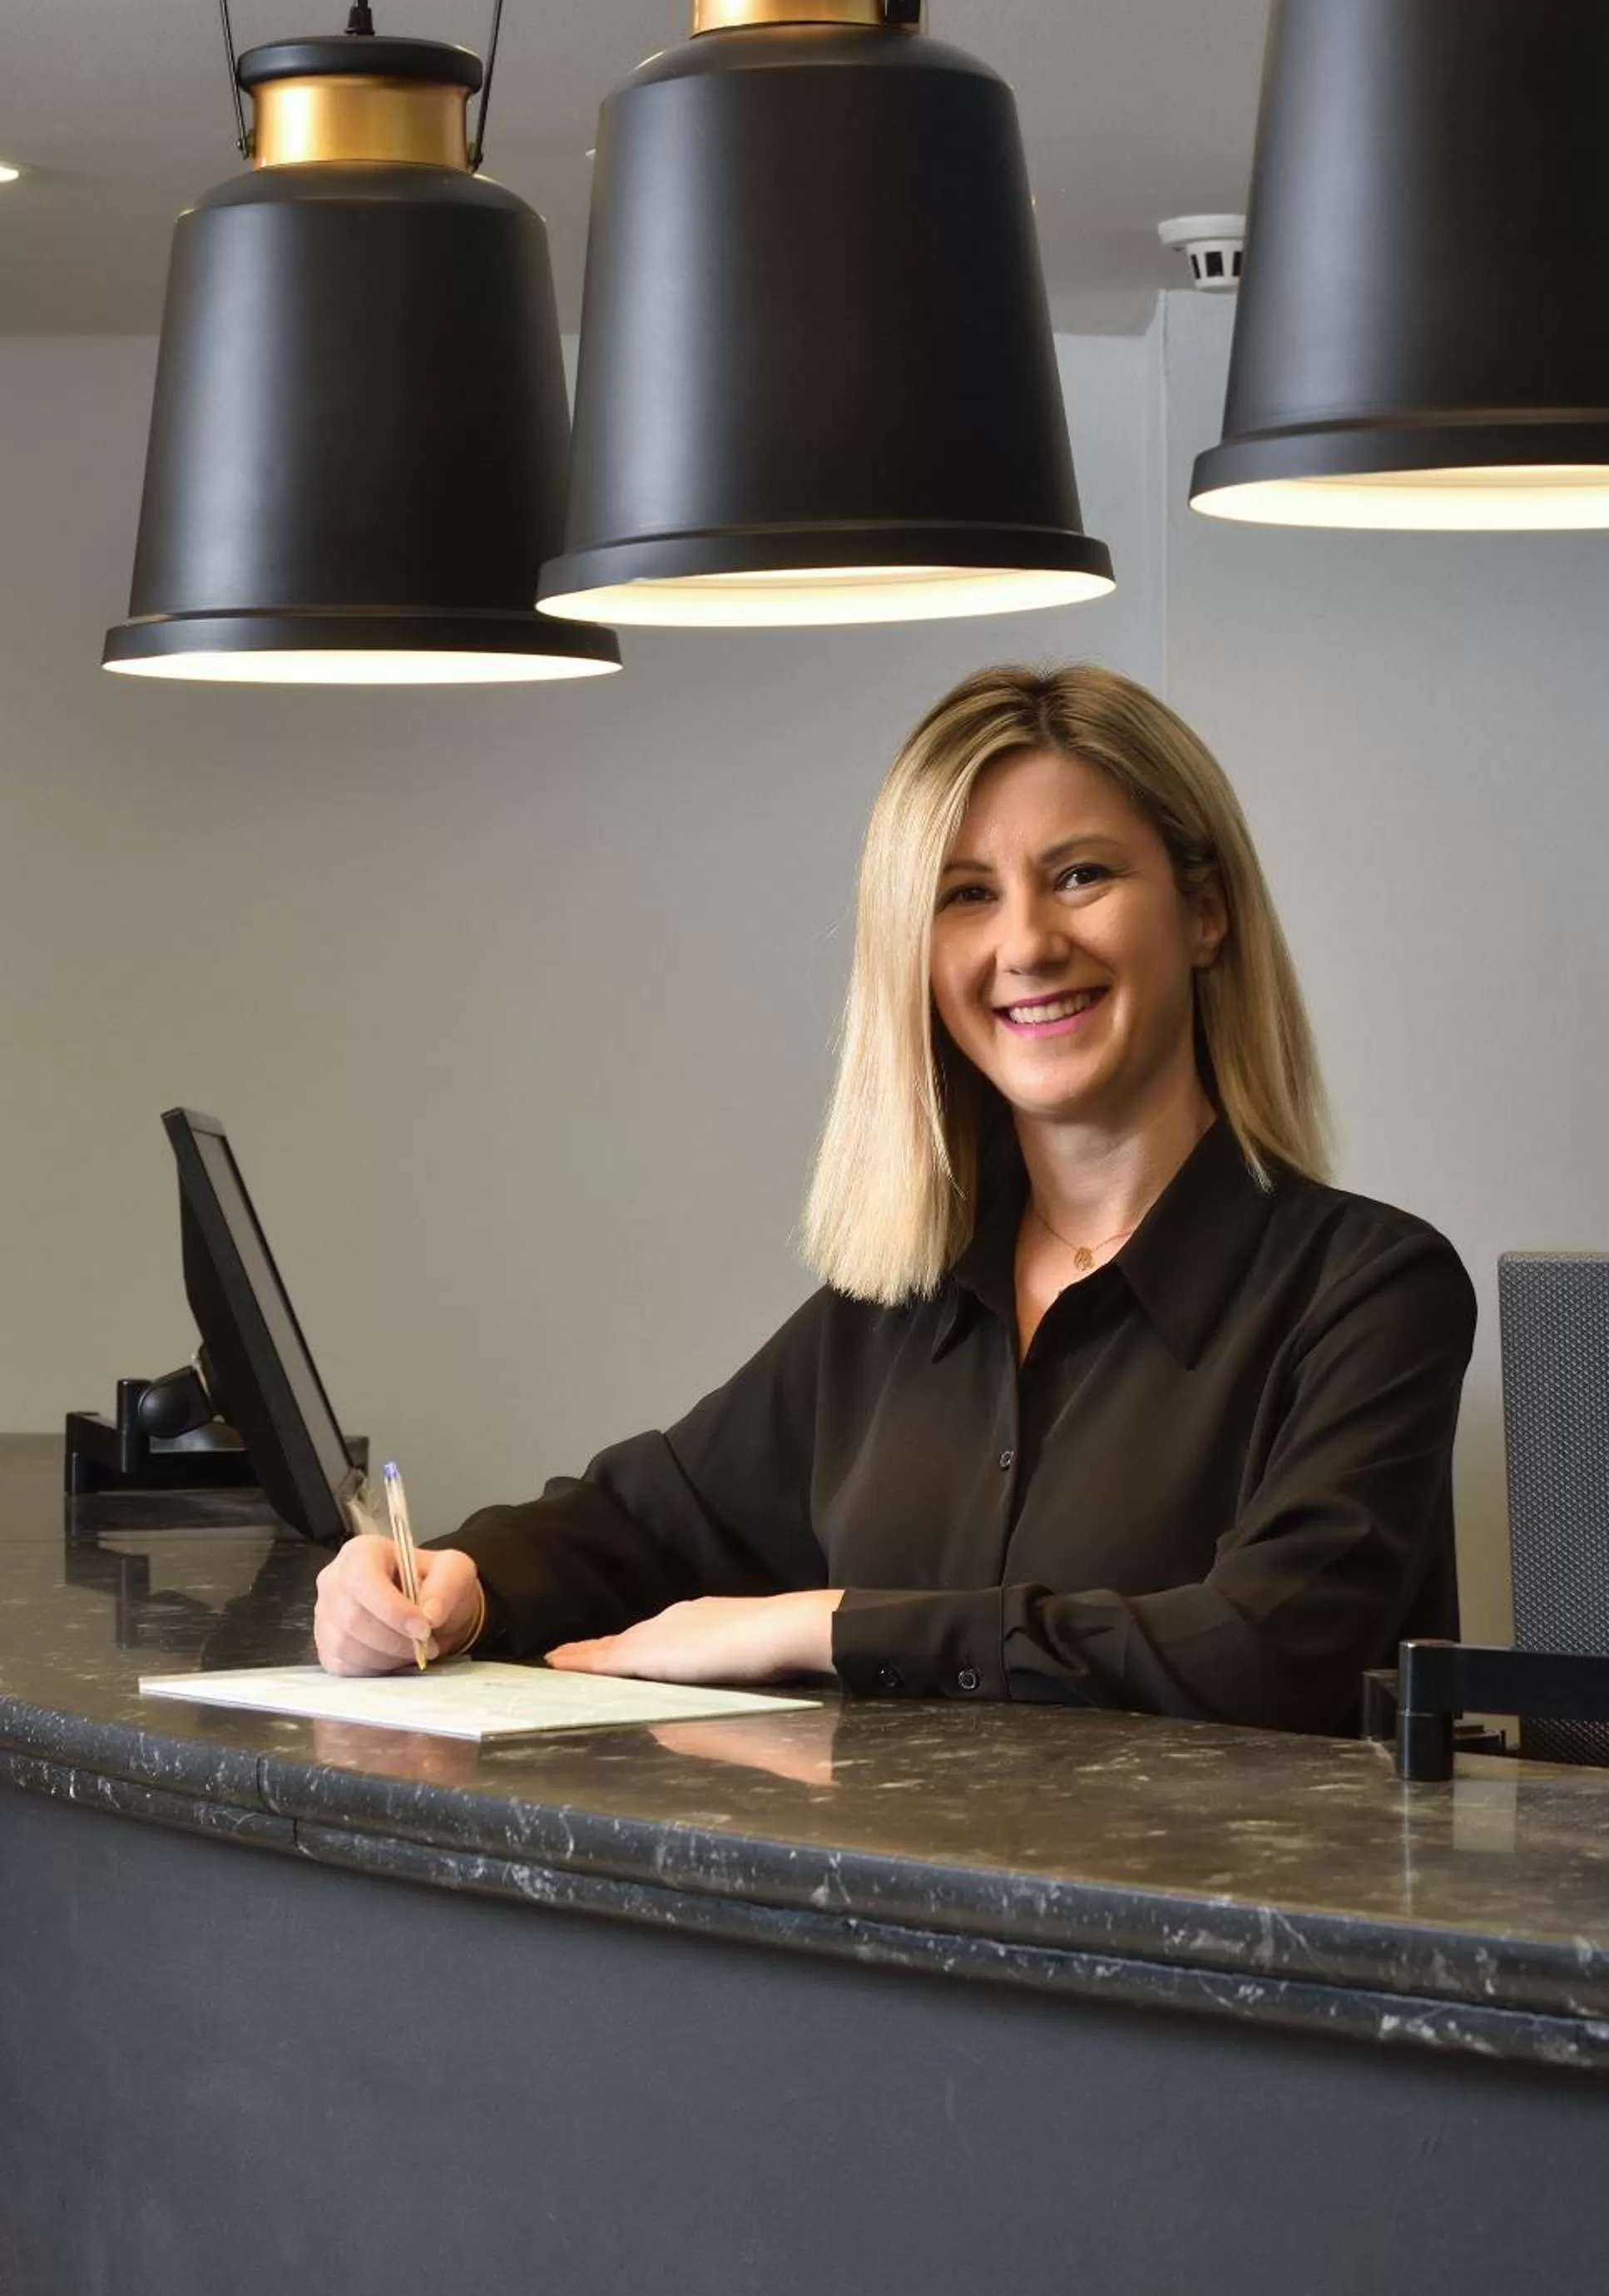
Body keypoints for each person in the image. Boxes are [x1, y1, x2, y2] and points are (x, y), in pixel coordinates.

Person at [314, 664, 1476, 1731]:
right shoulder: (894, 1307)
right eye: (965, 895)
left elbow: (1268, 1649)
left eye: (1080, 875)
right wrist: (450, 1581)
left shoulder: (1371, 1293)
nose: (1025, 944)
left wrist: (818, 1627)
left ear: (1204, 913)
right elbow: (637, 1523)